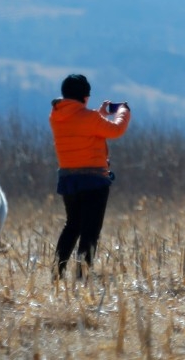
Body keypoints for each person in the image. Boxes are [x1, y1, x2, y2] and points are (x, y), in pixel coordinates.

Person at [49, 73, 131, 278]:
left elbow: (81, 122)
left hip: (68, 180)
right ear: (85, 96)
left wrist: (98, 114)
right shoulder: (90, 119)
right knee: (90, 231)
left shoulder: (56, 117)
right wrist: (123, 112)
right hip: (94, 182)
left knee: (72, 226)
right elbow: (117, 129)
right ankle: (82, 276)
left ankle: (57, 273)